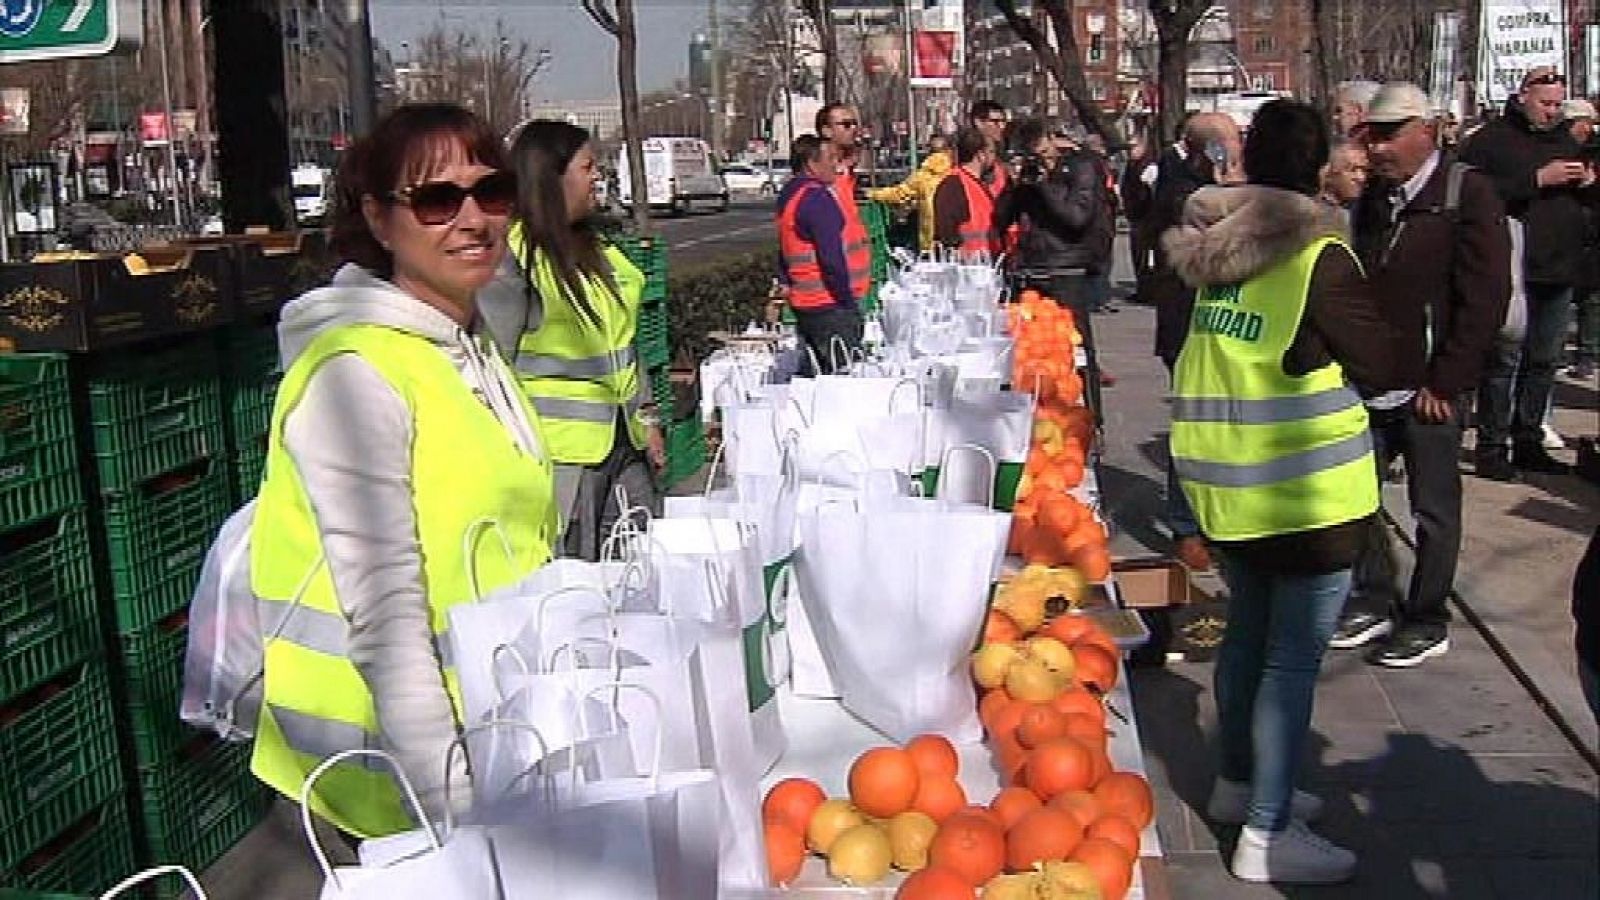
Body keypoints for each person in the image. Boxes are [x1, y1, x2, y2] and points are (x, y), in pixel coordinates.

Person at [249, 104, 558, 839]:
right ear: (380, 220)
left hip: (491, 737)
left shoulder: (466, 343)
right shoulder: (354, 376)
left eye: (493, 192)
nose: (474, 219)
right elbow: (385, 615)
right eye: (436, 200)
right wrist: (455, 811)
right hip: (379, 794)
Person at [1165, 98, 1393, 884]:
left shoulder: (1214, 257)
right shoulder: (1317, 258)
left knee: (1247, 641)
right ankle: (1267, 833)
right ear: (1317, 170)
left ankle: (1239, 786)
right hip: (1305, 496)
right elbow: (1385, 363)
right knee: (1291, 663)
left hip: (1228, 489)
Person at [1333, 83, 1512, 668]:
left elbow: (1483, 298)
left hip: (1431, 387)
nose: (1378, 148)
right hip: (1373, 379)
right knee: (1357, 495)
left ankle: (1427, 614)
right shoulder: (1375, 200)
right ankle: (1373, 595)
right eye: (1373, 135)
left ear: (1425, 131)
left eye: (1390, 134)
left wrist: (1448, 382)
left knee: (1433, 508)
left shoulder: (1467, 194)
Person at [482, 120, 666, 563]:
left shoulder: (600, 251)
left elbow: (623, 349)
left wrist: (648, 419)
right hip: (565, 463)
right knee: (581, 584)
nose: (597, 178)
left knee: (642, 568)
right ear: (552, 177)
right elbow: (490, 371)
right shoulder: (514, 263)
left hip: (626, 446)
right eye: (588, 168)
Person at [1460, 66, 1595, 479]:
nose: (1552, 112)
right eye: (1545, 103)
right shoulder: (1490, 141)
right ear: (1523, 97)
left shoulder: (1565, 140)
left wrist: (1587, 180)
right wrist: (1537, 178)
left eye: (1557, 104)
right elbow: (1471, 191)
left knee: (1544, 360)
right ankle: (1492, 446)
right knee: (1504, 359)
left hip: (1559, 267)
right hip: (1511, 266)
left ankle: (1529, 439)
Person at [1147, 111, 1244, 573]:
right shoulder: (1179, 189)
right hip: (1187, 326)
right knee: (1194, 426)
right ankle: (1186, 527)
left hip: (1225, 325)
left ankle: (1221, 521)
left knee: (1227, 429)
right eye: (1229, 143)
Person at [998, 117, 1113, 419]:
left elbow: (1076, 218)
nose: (1038, 156)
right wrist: (1014, 187)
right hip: (1030, 270)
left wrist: (1043, 186)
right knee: (1031, 352)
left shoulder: (1079, 167)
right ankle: (1040, 418)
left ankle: (1091, 422)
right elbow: (1001, 220)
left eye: (1037, 147)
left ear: (1050, 140)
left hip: (1067, 271)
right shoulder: (1028, 176)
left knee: (1077, 351)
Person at [777, 134, 867, 371]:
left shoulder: (790, 197)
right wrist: (846, 300)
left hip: (806, 303)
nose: (835, 166)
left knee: (817, 374)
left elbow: (785, 250)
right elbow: (831, 259)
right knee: (845, 377)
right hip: (829, 303)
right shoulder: (816, 199)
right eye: (829, 159)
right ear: (811, 163)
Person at [867, 134, 952, 253]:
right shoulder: (955, 174)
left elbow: (898, 194)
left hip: (931, 242)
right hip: (955, 240)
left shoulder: (922, 177)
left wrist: (873, 194)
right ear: (949, 151)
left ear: (929, 152)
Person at [1566, 98, 1599, 381]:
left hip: (1592, 234)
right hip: (1569, 235)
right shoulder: (1560, 150)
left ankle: (1587, 353)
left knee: (1592, 298)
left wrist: (1590, 185)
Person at [934, 126, 1000, 260]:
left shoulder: (978, 184)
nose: (995, 158)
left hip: (984, 264)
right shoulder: (954, 185)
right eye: (991, 152)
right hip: (968, 269)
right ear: (980, 155)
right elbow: (947, 232)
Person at [1121, 135, 1158, 305]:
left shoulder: (1149, 166)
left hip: (1146, 217)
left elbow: (1154, 193)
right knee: (1138, 256)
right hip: (1136, 215)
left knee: (1146, 257)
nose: (1130, 151)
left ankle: (1149, 292)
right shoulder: (1132, 165)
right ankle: (1142, 289)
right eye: (1128, 148)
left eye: (1134, 147)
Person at [1318, 138, 1369, 212]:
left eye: (1364, 170)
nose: (1361, 178)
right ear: (1329, 171)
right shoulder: (1307, 212)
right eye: (1352, 170)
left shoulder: (1362, 211)